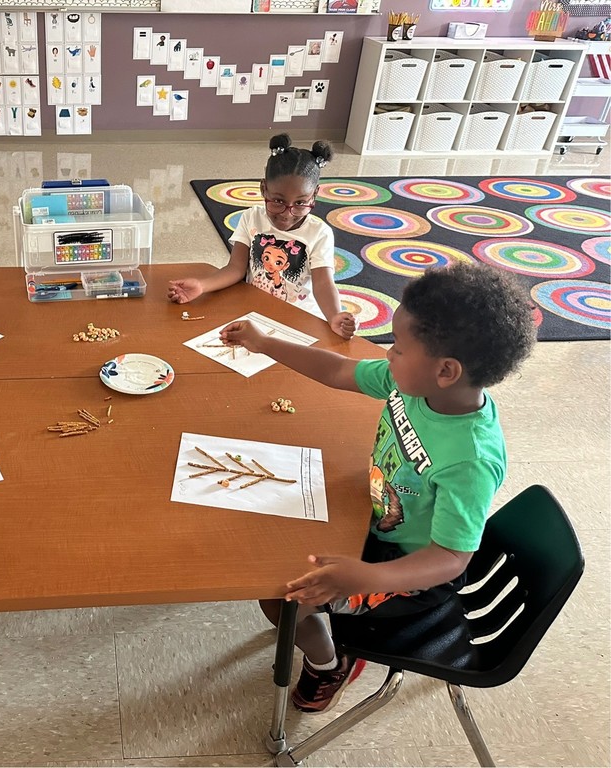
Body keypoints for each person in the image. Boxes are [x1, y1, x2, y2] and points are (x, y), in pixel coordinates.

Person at [220, 262, 536, 713]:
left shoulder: (471, 458)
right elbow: (338, 371)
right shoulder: (413, 385)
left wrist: (369, 577)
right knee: (268, 539)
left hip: (407, 574)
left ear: (446, 370)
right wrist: (266, 343)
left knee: (280, 593)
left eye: (400, 350)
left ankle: (328, 662)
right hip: (372, 515)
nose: (388, 354)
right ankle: (324, 631)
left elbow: (451, 558)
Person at [168, 134, 356, 340]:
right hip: (253, 311)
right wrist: (202, 286)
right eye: (277, 201)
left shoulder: (319, 233)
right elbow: (235, 269)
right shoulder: (251, 217)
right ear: (263, 188)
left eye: (301, 203)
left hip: (299, 319)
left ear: (315, 195)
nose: (287, 213)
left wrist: (334, 316)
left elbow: (323, 284)